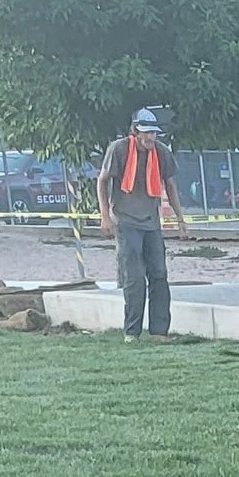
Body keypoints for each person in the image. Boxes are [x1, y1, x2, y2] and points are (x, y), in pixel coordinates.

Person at [97, 106, 187, 335]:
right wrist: (105, 216)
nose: (150, 137)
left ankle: (159, 332)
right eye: (145, 132)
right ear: (135, 132)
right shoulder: (118, 149)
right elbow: (102, 181)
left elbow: (171, 185)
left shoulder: (162, 152)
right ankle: (132, 332)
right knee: (134, 277)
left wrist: (180, 219)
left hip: (151, 223)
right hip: (126, 222)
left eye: (153, 132)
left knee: (159, 274)